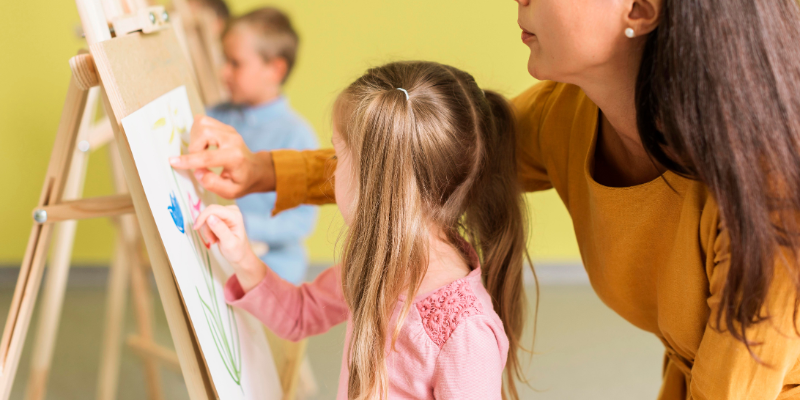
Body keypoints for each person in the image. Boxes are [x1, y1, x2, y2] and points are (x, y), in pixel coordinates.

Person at [171, 0, 800, 398]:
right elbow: (399, 163)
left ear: (641, 7)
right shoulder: (567, 116)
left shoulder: (766, 201)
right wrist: (258, 171)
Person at [193, 61, 527, 399]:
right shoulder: (373, 261)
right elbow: (299, 315)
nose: (331, 173)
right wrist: (243, 258)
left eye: (338, 156)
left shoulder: (465, 333)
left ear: (379, 183)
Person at [206, 7, 318, 284]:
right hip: (221, 257)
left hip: (274, 269)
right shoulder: (214, 116)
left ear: (274, 69)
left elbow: (300, 222)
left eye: (235, 63)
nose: (224, 72)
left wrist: (243, 226)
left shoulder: (296, 136)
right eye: (224, 60)